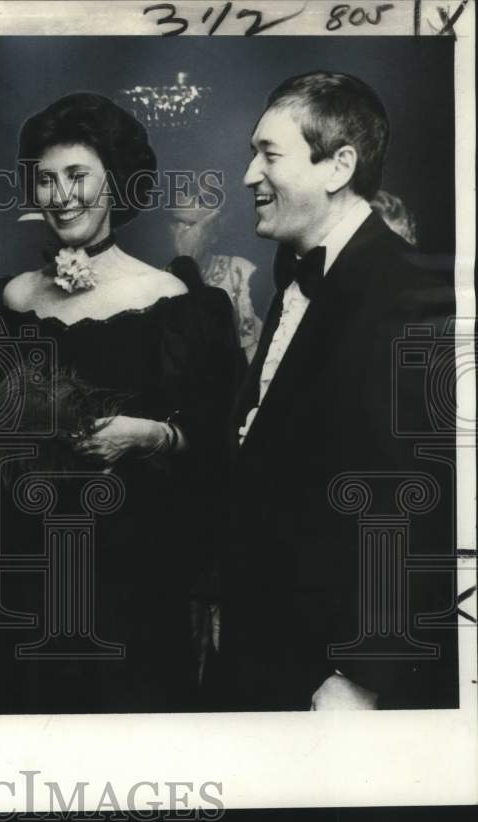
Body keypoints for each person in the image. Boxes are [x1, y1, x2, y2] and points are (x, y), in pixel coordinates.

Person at [0, 93, 241, 714]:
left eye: (78, 175)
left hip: (130, 576)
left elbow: (222, 441)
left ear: (116, 182)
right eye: (46, 180)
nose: (62, 196)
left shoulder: (173, 300)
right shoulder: (9, 302)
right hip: (20, 569)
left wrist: (149, 434)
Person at [219, 71, 457, 710]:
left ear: (338, 167)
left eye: (268, 154)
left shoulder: (406, 291)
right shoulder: (302, 273)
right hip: (268, 647)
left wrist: (366, 672)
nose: (248, 175)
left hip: (332, 672)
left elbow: (415, 496)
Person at [168, 198, 264, 363]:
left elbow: (255, 354)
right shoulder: (159, 280)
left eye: (191, 224)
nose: (181, 232)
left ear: (212, 234)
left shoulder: (241, 272)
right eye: (177, 222)